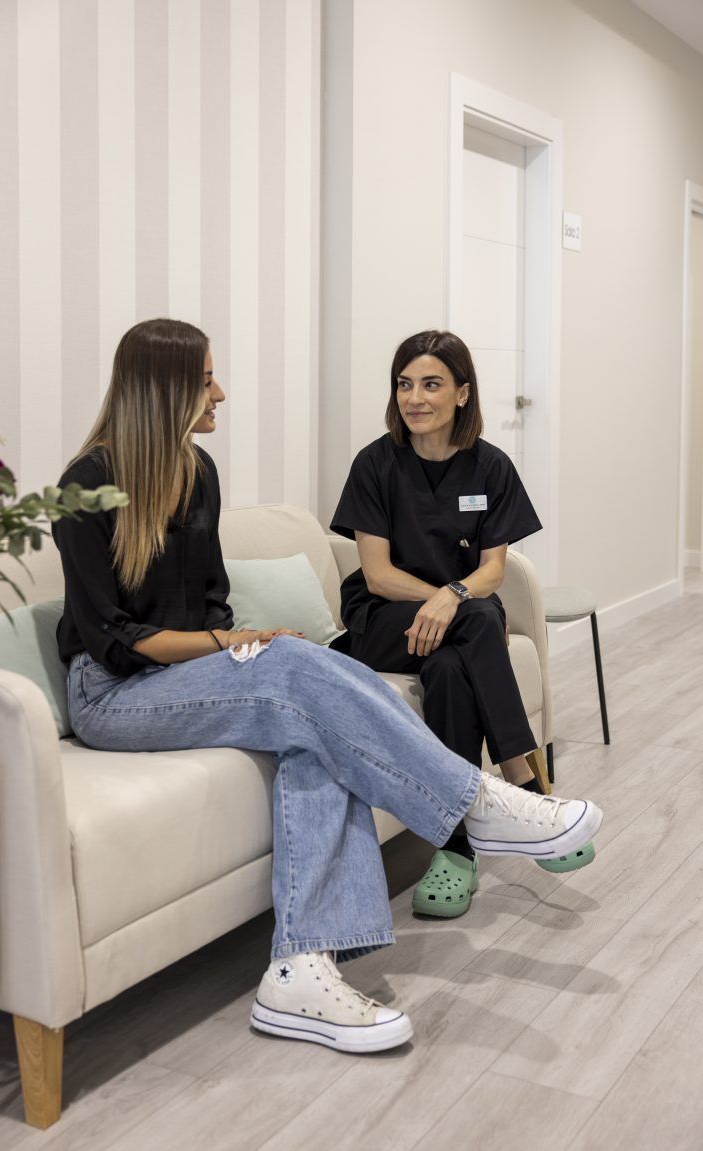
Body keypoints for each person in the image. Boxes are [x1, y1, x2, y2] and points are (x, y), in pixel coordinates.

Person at [53, 318, 602, 1055]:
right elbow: (113, 640)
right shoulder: (84, 485)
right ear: (166, 389)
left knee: (315, 722)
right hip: (113, 693)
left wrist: (234, 642)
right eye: (208, 377)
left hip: (186, 672)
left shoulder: (196, 471)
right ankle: (476, 802)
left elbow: (211, 601)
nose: (221, 391)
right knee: (298, 668)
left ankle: (299, 971)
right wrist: (232, 645)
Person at [330, 330, 593, 922]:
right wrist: (449, 600)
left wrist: (453, 600)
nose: (414, 398)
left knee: (452, 669)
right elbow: (375, 574)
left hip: (456, 620)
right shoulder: (375, 464)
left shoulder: (490, 466)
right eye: (404, 384)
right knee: (475, 618)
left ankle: (456, 851)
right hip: (381, 621)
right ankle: (525, 793)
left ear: (462, 393)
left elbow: (494, 568)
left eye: (431, 384)